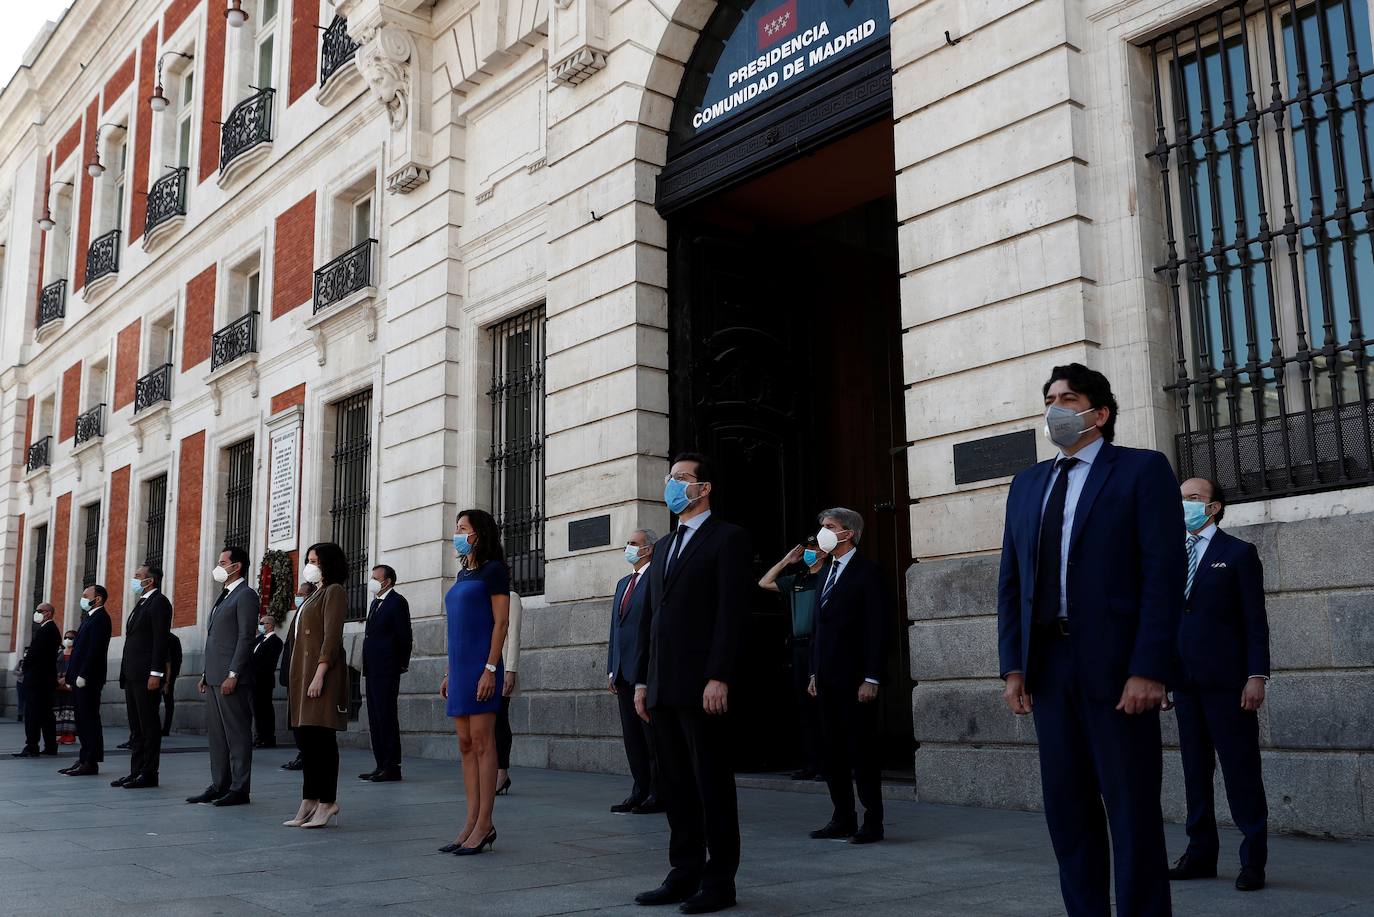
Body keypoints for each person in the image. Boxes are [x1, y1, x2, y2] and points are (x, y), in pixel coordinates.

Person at [997, 364, 1183, 917]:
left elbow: (1163, 575)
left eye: (1068, 398)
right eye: (1050, 398)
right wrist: (1014, 667)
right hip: (1049, 669)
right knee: (1068, 811)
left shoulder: (1141, 471)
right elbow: (1012, 581)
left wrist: (1149, 668)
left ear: (1098, 413)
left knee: (1131, 812)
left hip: (1117, 669)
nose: (1056, 407)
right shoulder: (1028, 483)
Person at [633, 452, 751, 914]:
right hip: (662, 685)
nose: (671, 485)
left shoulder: (729, 540)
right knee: (675, 785)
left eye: (681, 479)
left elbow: (731, 614)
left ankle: (720, 881)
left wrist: (718, 674)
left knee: (711, 785)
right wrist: (642, 681)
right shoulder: (661, 547)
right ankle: (683, 873)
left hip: (704, 684)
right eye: (669, 478)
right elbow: (652, 618)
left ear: (704, 489)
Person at [1167, 478, 1271, 892]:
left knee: (1241, 772)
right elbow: (1168, 620)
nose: (1185, 505)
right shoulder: (1172, 557)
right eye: (1181, 499)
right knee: (1195, 773)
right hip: (1186, 685)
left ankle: (1253, 862)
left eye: (1193, 499)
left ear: (1213, 508)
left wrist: (1256, 675)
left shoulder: (1239, 554)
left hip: (1230, 685)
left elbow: (1254, 621)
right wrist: (1162, 676)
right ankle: (1200, 854)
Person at [806, 509, 888, 844]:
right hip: (826, 679)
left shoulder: (868, 573)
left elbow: (877, 629)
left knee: (861, 752)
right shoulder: (825, 572)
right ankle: (842, 816)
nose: (822, 532)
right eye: (822, 525)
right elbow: (818, 627)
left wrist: (872, 677)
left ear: (848, 533)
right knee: (832, 753)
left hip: (856, 681)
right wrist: (814, 670)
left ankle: (873, 821)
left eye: (829, 527)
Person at [438, 509, 511, 856]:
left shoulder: (494, 572)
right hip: (460, 669)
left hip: (482, 669)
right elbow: (456, 628)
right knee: (465, 745)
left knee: (483, 743)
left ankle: (485, 824)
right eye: (456, 528)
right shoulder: (462, 573)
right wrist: (450, 672)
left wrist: (491, 669)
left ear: (478, 534)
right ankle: (470, 821)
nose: (457, 533)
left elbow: (500, 624)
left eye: (462, 528)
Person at [283, 544, 350, 829]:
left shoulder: (334, 591)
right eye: (308, 560)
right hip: (303, 675)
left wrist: (320, 674)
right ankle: (309, 799)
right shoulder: (313, 594)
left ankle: (327, 802)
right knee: (307, 740)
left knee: (322, 741)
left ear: (328, 564)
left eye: (314, 561)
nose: (308, 566)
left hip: (321, 674)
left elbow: (331, 636)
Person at [189, 547, 260, 807]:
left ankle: (240, 788)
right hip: (215, 677)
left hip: (232, 678)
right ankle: (220, 784)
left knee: (237, 735)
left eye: (222, 562)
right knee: (217, 736)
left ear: (236, 566)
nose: (218, 566)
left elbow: (245, 637)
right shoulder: (224, 595)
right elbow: (217, 639)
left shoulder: (246, 595)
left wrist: (234, 673)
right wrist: (207, 674)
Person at [758, 536, 825, 782]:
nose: (809, 552)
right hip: (798, 647)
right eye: (806, 548)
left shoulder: (827, 577)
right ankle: (811, 763)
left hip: (818, 644)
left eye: (814, 548)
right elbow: (765, 582)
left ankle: (828, 764)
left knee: (822, 706)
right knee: (804, 706)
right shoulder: (799, 579)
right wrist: (787, 560)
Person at [608, 528, 661, 814]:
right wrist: (610, 669)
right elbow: (615, 629)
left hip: (645, 671)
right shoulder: (622, 584)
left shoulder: (656, 579)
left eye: (634, 544)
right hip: (622, 672)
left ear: (648, 549)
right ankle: (638, 789)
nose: (629, 548)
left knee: (650, 736)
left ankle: (657, 791)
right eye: (628, 543)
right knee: (632, 737)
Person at [113, 565, 173, 789]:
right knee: (136, 727)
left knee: (148, 725)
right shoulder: (141, 603)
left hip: (147, 675)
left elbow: (160, 640)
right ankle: (135, 771)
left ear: (150, 581)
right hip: (132, 675)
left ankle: (149, 773)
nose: (134, 579)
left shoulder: (160, 603)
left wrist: (156, 673)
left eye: (137, 576)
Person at [359, 564, 412, 782]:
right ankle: (380, 764)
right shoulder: (375, 603)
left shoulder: (397, 602)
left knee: (386, 715)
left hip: (387, 668)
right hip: (372, 668)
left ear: (387, 581)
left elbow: (405, 635)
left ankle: (392, 766)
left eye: (375, 577)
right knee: (374, 717)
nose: (371, 580)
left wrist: (400, 663)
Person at [61, 585, 112, 776]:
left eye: (85, 596)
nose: (82, 599)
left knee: (89, 719)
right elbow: (79, 651)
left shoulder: (101, 618)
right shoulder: (89, 618)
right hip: (78, 678)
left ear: (97, 599)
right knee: (81, 720)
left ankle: (91, 761)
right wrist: (70, 676)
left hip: (88, 679)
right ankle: (83, 758)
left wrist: (84, 674)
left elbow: (95, 650)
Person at [13, 603, 60, 757]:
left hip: (38, 680)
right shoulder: (48, 629)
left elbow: (35, 653)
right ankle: (50, 746)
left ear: (47, 613)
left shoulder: (47, 630)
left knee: (33, 714)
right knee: (46, 714)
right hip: (44, 679)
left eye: (39, 611)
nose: (36, 613)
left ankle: (32, 746)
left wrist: (25, 667)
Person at [280, 581, 315, 772]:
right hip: (292, 675)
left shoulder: (310, 612)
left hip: (303, 675)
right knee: (295, 719)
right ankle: (302, 753)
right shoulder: (299, 613)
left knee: (303, 720)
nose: (298, 596)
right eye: (298, 593)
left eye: (302, 593)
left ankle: (306, 754)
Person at [495, 590, 524, 796]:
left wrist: (510, 670)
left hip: (502, 668)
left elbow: (513, 635)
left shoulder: (510, 597)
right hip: (481, 669)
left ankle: (501, 773)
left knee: (499, 721)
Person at [252, 612, 284, 748]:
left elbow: (269, 662)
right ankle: (259, 736)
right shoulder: (258, 639)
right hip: (253, 680)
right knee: (257, 710)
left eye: (262, 623)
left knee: (265, 709)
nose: (260, 625)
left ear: (270, 625)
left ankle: (268, 737)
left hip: (264, 680)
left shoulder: (275, 641)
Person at [55, 629, 78, 745]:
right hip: (59, 686)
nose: (68, 640)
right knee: (60, 710)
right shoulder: (59, 654)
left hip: (71, 686)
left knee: (70, 710)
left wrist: (67, 679)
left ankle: (70, 735)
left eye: (71, 638)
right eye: (66, 637)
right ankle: (61, 734)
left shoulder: (77, 654)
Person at [159, 631, 183, 737]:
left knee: (167, 702)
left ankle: (165, 728)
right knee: (168, 702)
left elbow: (177, 659)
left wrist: (170, 679)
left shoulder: (171, 639)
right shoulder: (173, 638)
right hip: (166, 674)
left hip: (166, 675)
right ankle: (164, 728)